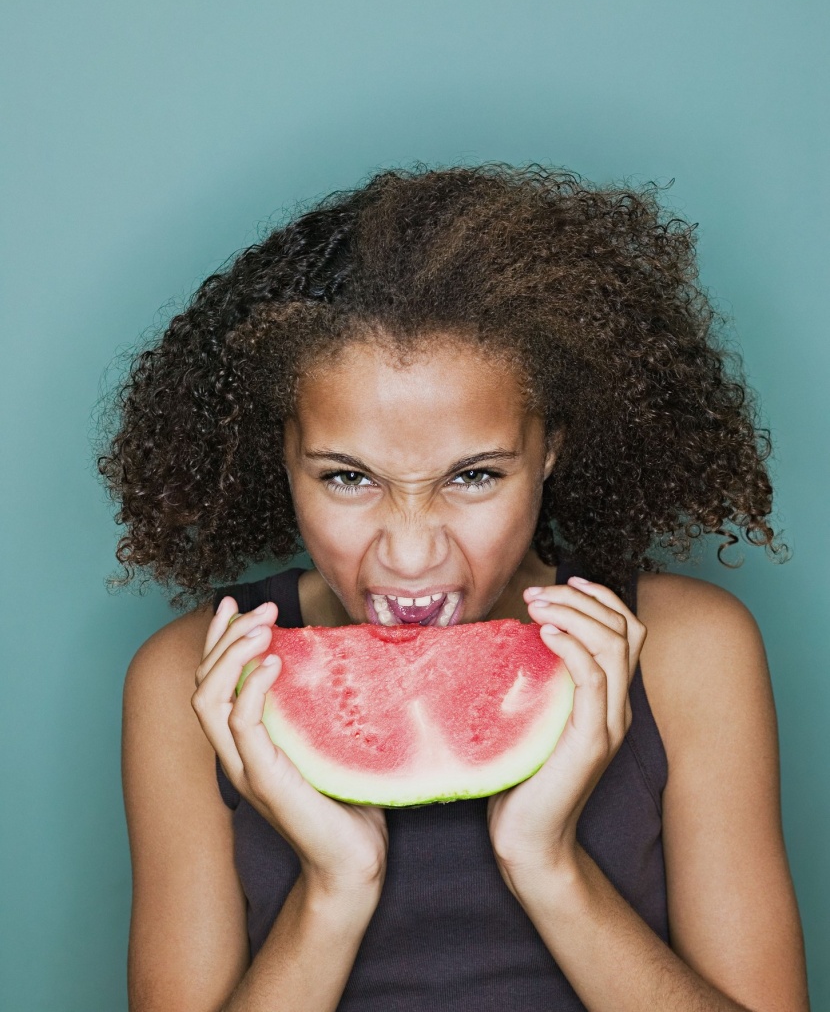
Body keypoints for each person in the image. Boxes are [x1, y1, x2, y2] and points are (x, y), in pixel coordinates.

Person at [101, 164, 810, 1011]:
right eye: (346, 477)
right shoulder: (191, 679)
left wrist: (547, 864)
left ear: (550, 447)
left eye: (473, 475)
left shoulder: (689, 652)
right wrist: (335, 886)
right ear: (281, 455)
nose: (408, 552)